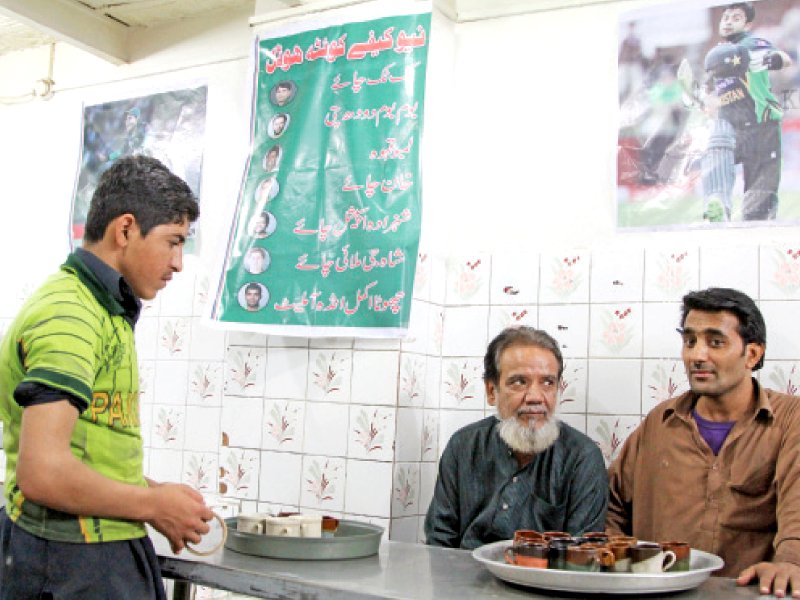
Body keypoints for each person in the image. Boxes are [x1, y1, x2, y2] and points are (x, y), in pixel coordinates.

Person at [0, 155, 212, 599]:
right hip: (70, 559)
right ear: (126, 229)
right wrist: (154, 503)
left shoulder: (103, 308)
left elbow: (88, 449)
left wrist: (158, 498)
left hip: (96, 552)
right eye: (173, 242)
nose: (178, 263)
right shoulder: (69, 313)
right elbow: (42, 472)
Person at [607, 287, 800, 597]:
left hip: (747, 594)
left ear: (752, 354)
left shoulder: (790, 421)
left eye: (715, 342)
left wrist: (791, 562)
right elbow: (611, 503)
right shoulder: (661, 421)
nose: (697, 355)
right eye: (690, 341)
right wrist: (617, 565)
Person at [424, 326, 608, 549]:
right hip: (463, 577)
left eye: (547, 382)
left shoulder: (582, 457)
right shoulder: (463, 447)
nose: (535, 397)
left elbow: (582, 558)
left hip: (545, 582)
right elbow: (439, 544)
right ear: (492, 391)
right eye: (519, 382)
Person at [701, 2, 792, 222]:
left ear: (748, 24)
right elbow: (713, 99)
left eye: (736, 17)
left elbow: (784, 59)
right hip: (732, 124)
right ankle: (718, 204)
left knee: (759, 211)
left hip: (762, 124)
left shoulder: (754, 43)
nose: (728, 21)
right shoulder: (716, 59)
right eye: (726, 17)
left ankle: (756, 225)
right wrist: (706, 101)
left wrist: (768, 60)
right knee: (716, 145)